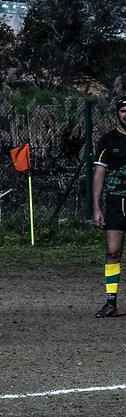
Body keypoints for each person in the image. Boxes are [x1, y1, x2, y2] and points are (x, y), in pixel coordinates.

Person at [93, 98, 126, 318]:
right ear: (118, 113)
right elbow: (99, 173)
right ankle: (111, 302)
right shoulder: (108, 139)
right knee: (113, 252)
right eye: (124, 110)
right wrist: (96, 207)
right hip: (116, 201)